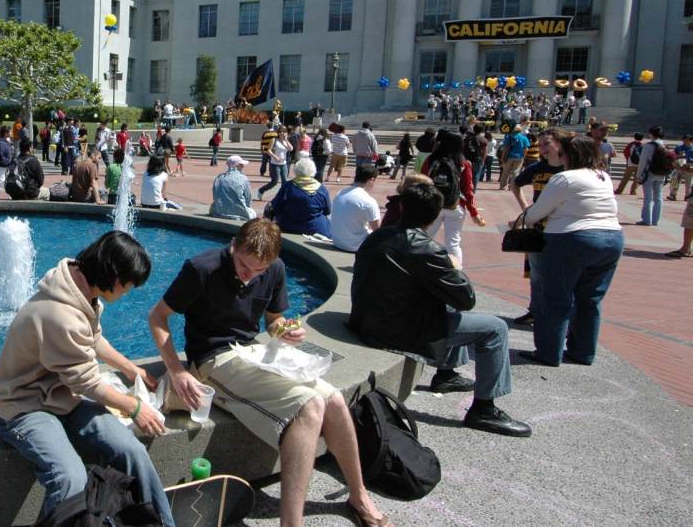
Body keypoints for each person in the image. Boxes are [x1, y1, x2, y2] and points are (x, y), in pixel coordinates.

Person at [148, 219, 391, 527]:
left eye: (258, 271)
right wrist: (177, 370)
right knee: (311, 405)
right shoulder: (202, 268)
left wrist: (286, 331)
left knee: (334, 401)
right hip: (212, 360)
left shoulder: (274, 269)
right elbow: (157, 316)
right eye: (243, 266)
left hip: (253, 352)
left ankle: (359, 496)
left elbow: (274, 320)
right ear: (233, 246)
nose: (249, 276)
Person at [0, 231, 175, 527]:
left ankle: (162, 523)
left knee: (132, 450)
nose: (128, 292)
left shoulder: (82, 289)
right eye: (129, 285)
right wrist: (136, 408)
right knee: (70, 479)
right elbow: (86, 382)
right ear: (114, 277)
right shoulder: (60, 313)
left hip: (63, 398)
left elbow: (94, 340)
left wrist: (131, 368)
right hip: (24, 406)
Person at [351, 183, 531, 437]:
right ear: (436, 215)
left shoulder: (378, 237)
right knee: (495, 329)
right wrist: (455, 267)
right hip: (400, 330)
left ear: (402, 207)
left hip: (370, 320)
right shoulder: (428, 249)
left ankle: (446, 374)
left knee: (444, 301)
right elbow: (466, 300)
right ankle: (484, 409)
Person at [522, 135, 624, 366]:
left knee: (555, 298)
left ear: (568, 155)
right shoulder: (603, 176)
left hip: (570, 238)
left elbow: (538, 211)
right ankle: (583, 352)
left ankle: (548, 352)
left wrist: (523, 220)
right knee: (590, 299)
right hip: (611, 237)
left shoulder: (564, 178)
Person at [509, 128, 568, 328]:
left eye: (547, 144)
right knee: (536, 273)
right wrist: (526, 209)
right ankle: (535, 310)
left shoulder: (569, 170)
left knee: (559, 273)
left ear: (559, 144)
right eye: (540, 144)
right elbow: (515, 184)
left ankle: (558, 314)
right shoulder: (537, 168)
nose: (542, 148)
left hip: (561, 228)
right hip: (538, 227)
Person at [423, 130, 486, 268]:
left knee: (424, 238)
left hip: (434, 204)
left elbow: (422, 181)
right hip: (455, 205)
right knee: (453, 242)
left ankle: (422, 267)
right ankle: (457, 271)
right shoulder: (464, 163)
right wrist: (474, 212)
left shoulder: (432, 160)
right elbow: (468, 190)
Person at [268, 157, 331, 237]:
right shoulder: (321, 189)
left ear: (296, 170)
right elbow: (327, 211)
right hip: (316, 229)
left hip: (288, 227)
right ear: (313, 170)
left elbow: (276, 206)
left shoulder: (288, 186)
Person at [635, 126, 669, 226]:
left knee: (648, 198)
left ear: (651, 134)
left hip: (649, 173)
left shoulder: (648, 146)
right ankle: (655, 220)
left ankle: (647, 220)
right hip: (661, 174)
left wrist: (638, 175)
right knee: (658, 198)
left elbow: (642, 162)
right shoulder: (664, 145)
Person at [210, 155, 254, 221]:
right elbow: (248, 199)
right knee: (252, 212)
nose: (243, 166)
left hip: (218, 212)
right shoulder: (243, 178)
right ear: (236, 166)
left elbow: (215, 196)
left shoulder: (219, 178)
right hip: (239, 215)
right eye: (241, 165)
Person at [257, 128, 292, 200]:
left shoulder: (286, 141)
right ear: (278, 133)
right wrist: (275, 157)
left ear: (286, 133)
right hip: (274, 164)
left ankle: (283, 196)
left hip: (283, 164)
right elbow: (268, 150)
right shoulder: (274, 140)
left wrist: (286, 140)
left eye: (284, 131)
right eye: (280, 131)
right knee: (274, 182)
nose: (282, 133)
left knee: (285, 181)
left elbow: (291, 149)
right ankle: (261, 190)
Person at [667, 133, 693, 201]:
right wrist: (678, 155)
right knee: (675, 180)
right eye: (684, 140)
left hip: (689, 168)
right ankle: (672, 195)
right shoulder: (679, 147)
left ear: (691, 141)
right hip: (679, 167)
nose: (685, 142)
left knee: (689, 183)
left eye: (687, 140)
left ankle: (687, 196)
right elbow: (673, 156)